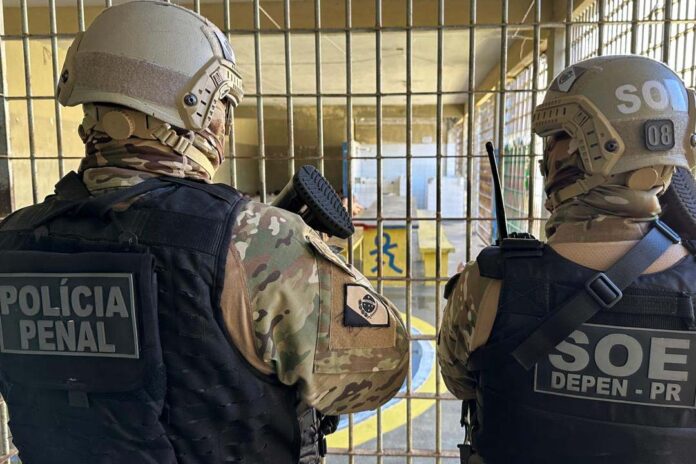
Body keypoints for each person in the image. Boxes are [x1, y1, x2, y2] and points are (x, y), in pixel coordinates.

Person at [0, 2, 409, 463]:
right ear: (200, 108)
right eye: (225, 106)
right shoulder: (256, 240)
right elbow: (383, 369)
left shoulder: (11, 239)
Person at [438, 55, 696, 464]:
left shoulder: (487, 283)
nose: (547, 158)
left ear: (591, 147)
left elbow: (460, 383)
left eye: (556, 140)